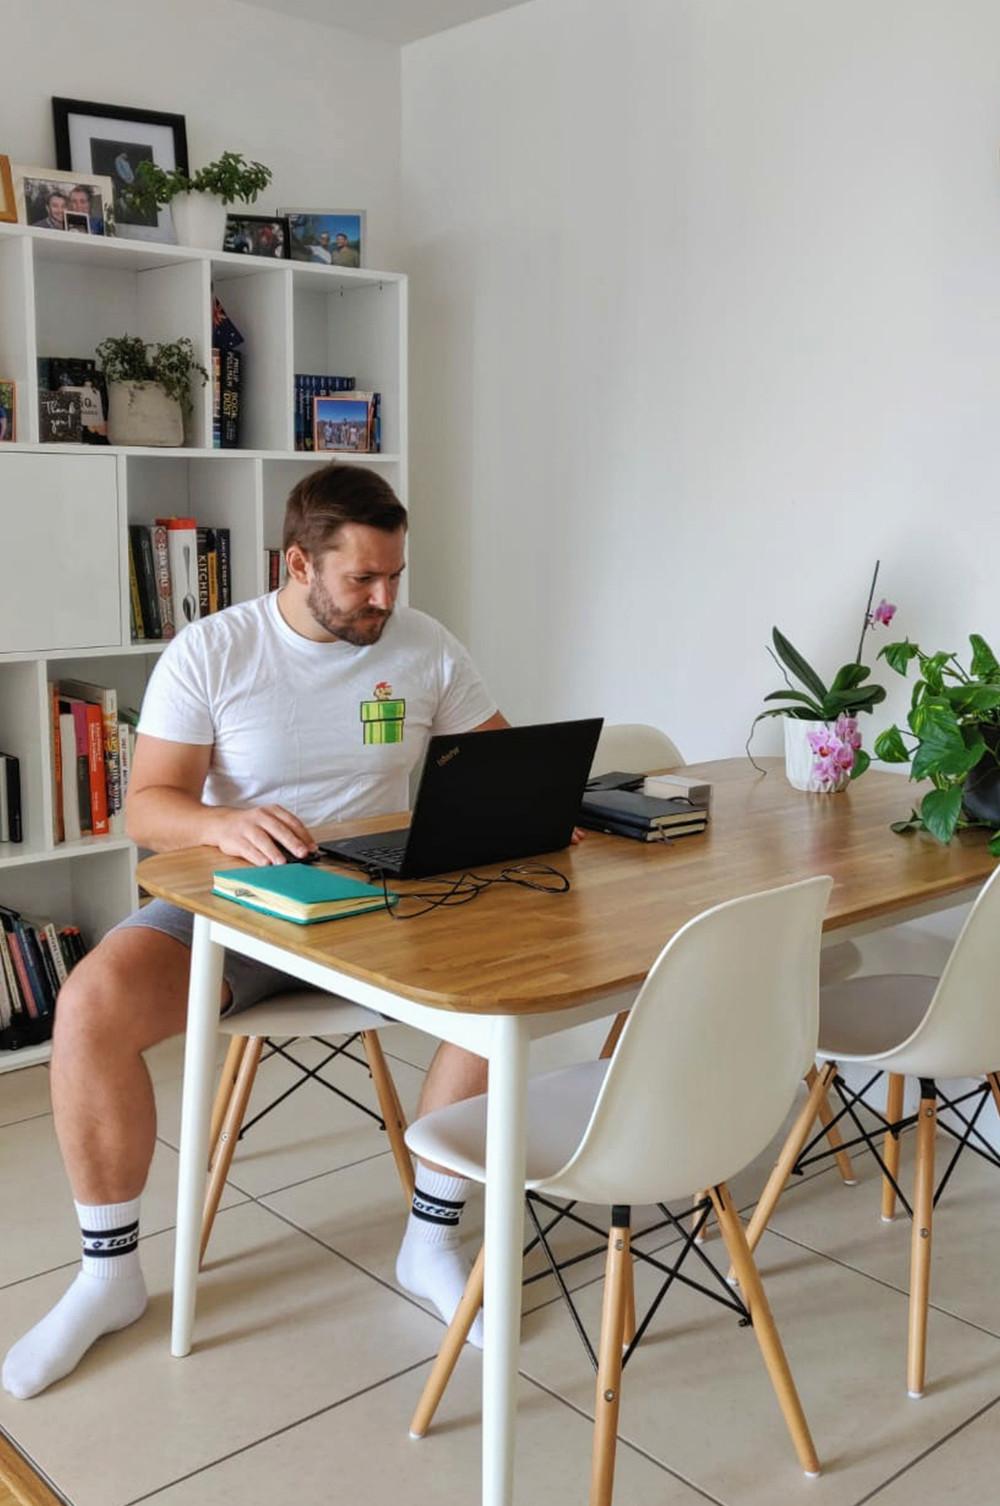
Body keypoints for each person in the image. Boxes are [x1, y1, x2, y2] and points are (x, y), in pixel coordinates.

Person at [1, 464, 506, 1399]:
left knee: (506, 984)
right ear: (297, 562)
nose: (385, 598)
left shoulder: (426, 646)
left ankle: (431, 1239)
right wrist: (220, 825)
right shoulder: (214, 650)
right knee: (89, 1004)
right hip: (247, 913)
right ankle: (108, 1276)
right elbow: (146, 808)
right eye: (362, 579)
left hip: (387, 915)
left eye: (396, 575)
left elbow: (497, 763)